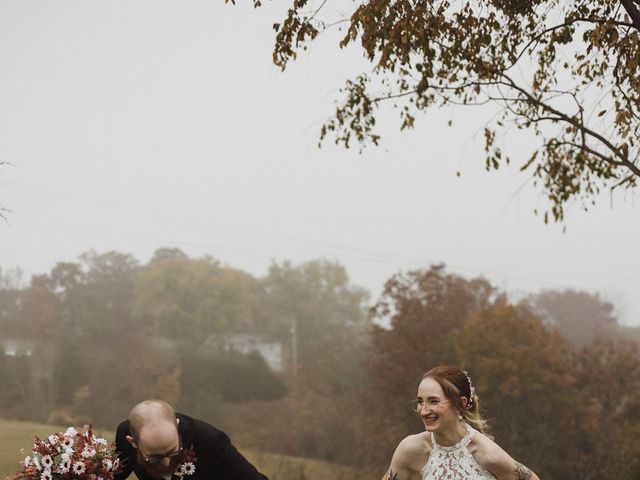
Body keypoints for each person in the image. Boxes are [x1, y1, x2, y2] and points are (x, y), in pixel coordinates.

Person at [384, 366, 540, 480]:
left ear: (461, 403)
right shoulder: (411, 449)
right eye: (420, 401)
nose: (424, 411)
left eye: (433, 401)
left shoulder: (487, 454)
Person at [114, 399, 268, 480]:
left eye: (173, 452)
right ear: (133, 442)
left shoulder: (210, 441)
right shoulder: (124, 435)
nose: (166, 462)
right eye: (155, 458)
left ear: (177, 426)